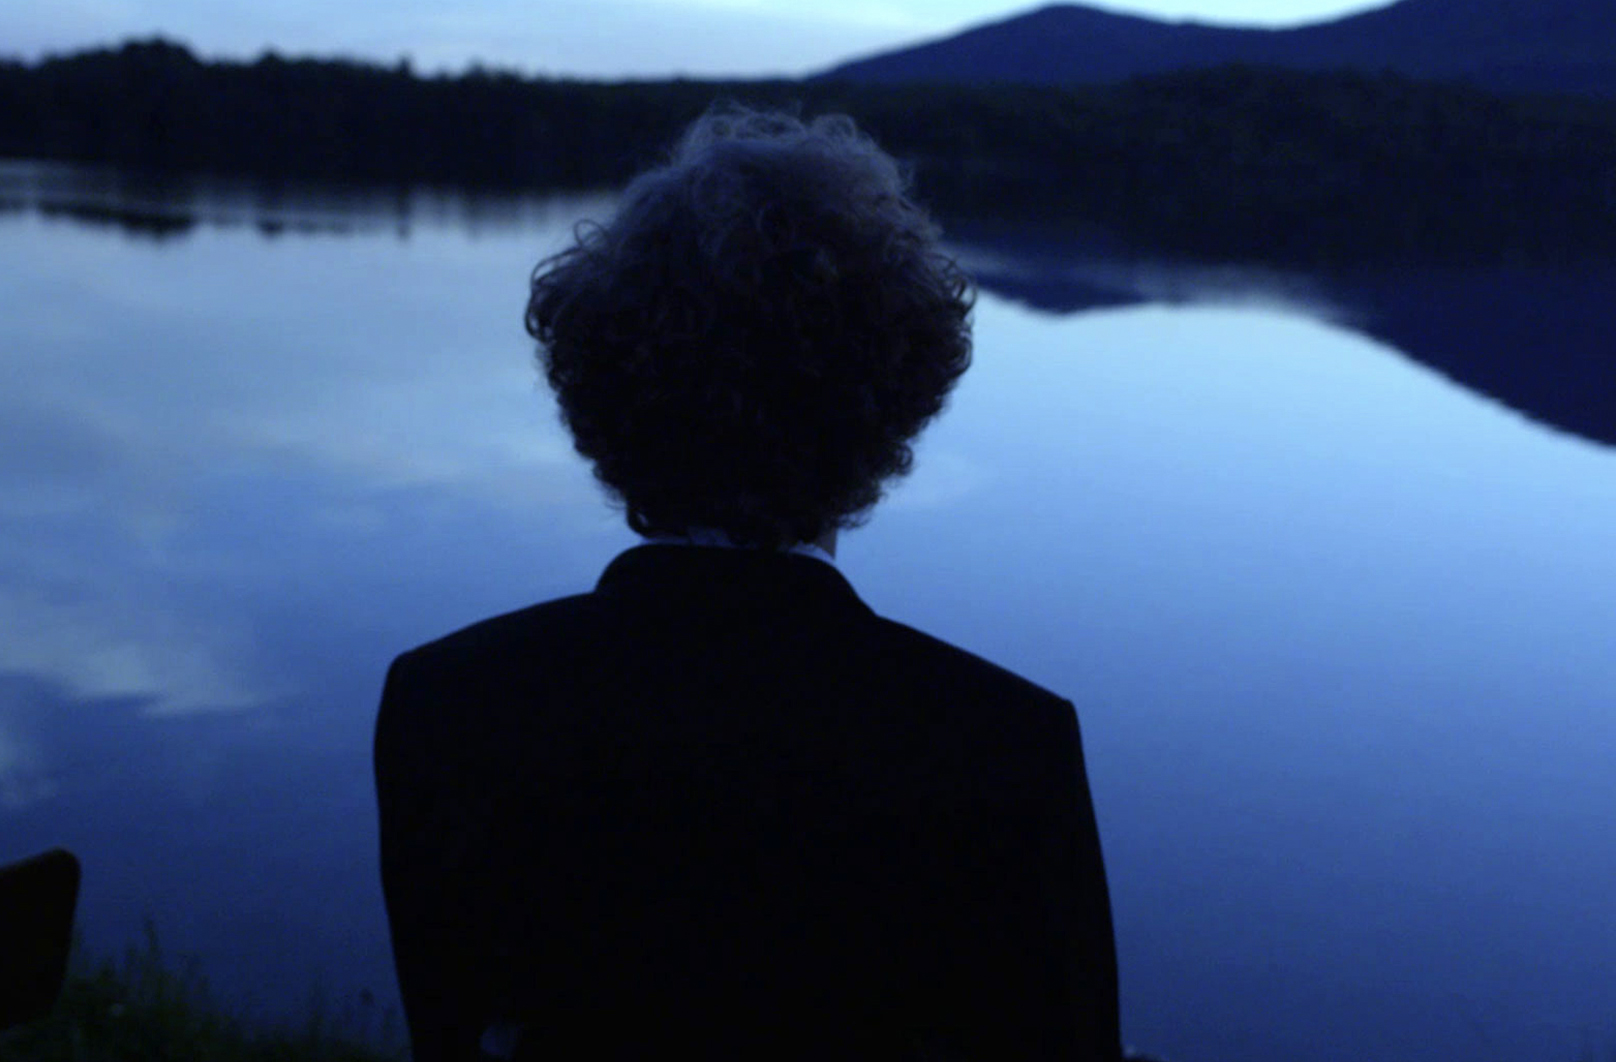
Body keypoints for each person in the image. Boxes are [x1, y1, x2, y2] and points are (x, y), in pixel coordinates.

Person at [374, 106, 1121, 1061]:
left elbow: (449, 1034)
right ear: (893, 405)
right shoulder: (1002, 744)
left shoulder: (450, 703)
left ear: (599, 391)